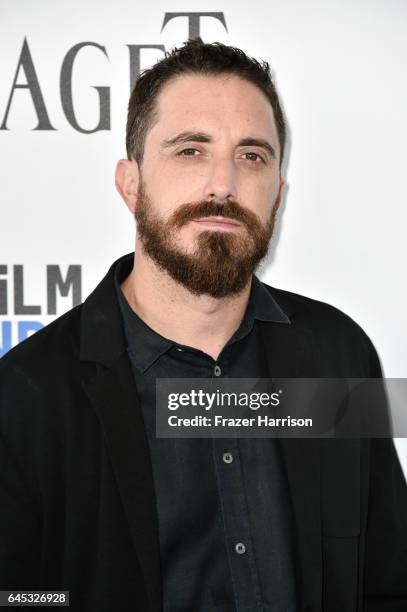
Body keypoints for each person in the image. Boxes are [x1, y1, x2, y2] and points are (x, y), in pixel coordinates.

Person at [0, 38, 406, 612]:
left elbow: (385, 578)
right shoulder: (25, 395)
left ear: (278, 195)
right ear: (131, 183)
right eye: (191, 151)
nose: (224, 184)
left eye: (252, 156)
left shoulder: (341, 353)